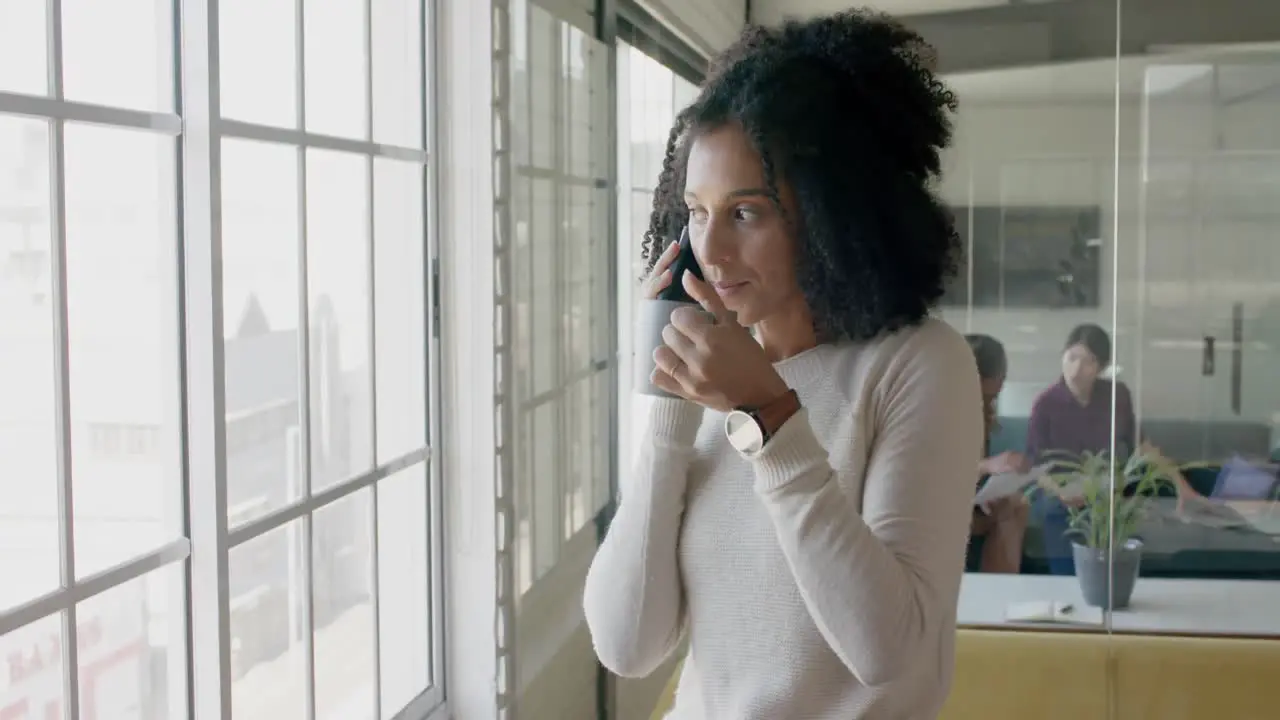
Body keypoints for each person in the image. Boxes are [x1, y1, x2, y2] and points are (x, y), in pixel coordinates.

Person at [583, 11, 981, 719]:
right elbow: (626, 644)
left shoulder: (916, 364)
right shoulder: (714, 370)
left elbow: (888, 652)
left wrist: (768, 416)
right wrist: (671, 406)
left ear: (833, 215)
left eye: (747, 213)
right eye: (697, 212)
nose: (712, 250)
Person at [1027, 323, 1201, 574]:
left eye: (1088, 361)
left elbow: (1141, 447)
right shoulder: (1045, 404)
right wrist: (1062, 492)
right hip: (1060, 498)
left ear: (1102, 367)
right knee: (1068, 565)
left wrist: (1182, 486)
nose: (1076, 369)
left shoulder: (1116, 395)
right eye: (1072, 358)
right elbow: (1034, 467)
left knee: (1122, 543)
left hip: (1105, 496)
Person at [965, 334, 1030, 574]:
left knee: (1015, 504)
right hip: (935, 512)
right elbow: (931, 474)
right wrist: (987, 466)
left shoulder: (981, 415)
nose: (991, 400)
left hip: (967, 506)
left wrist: (990, 490)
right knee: (1012, 508)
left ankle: (1000, 595)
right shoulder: (936, 411)